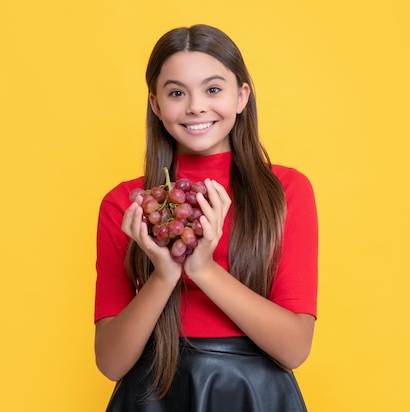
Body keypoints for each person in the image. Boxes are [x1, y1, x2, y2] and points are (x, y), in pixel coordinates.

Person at [94, 24, 318, 412]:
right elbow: (111, 362)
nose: (196, 105)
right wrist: (165, 275)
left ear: (241, 96)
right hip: (153, 395)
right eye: (177, 92)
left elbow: (295, 348)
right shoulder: (125, 204)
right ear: (155, 104)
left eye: (213, 89)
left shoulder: (285, 191)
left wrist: (203, 271)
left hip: (256, 396)